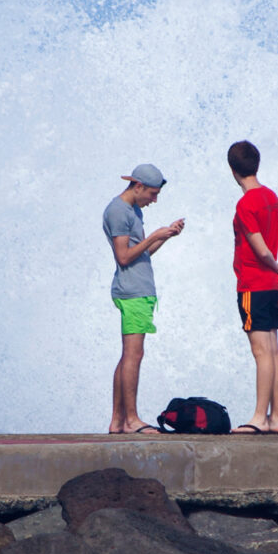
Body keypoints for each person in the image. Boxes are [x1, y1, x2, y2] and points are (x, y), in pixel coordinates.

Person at [102, 164, 184, 433]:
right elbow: (123, 256)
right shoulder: (118, 211)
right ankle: (131, 420)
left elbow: (142, 253)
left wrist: (165, 236)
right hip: (132, 291)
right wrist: (153, 236)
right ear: (137, 186)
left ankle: (117, 421)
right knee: (134, 355)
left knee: (128, 356)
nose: (154, 200)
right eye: (151, 193)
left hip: (140, 289)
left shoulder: (133, 210)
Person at [228, 139, 278, 434]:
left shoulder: (245, 204)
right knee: (274, 351)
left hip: (253, 284)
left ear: (233, 170)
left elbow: (262, 251)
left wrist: (275, 266)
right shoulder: (272, 198)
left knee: (261, 352)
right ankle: (277, 418)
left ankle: (259, 417)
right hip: (272, 287)